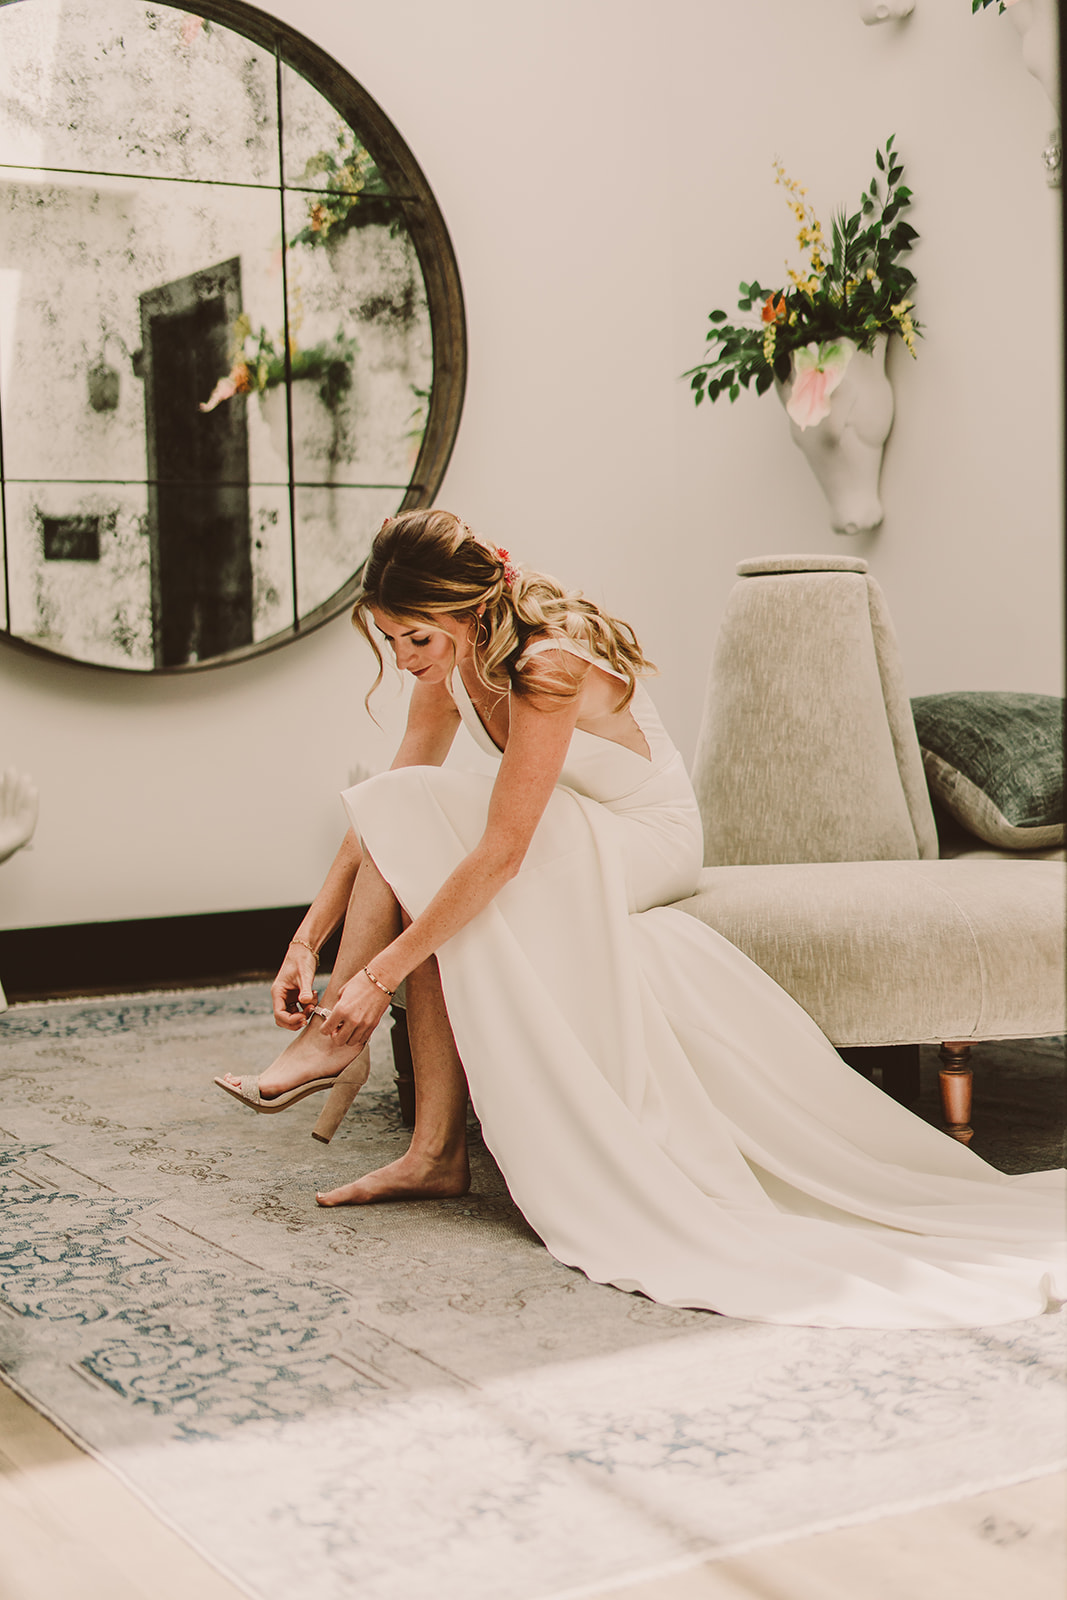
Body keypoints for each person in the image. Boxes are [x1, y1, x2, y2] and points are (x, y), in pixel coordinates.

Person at [217, 509, 1064, 1330]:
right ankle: (424, 1144)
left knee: (446, 867)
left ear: (468, 611)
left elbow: (503, 851)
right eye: (391, 641)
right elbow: (380, 814)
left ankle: (348, 1051)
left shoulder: (547, 665)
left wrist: (375, 977)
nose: (404, 661)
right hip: (559, 835)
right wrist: (305, 940)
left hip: (640, 839)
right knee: (414, 815)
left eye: (417, 638)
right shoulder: (447, 671)